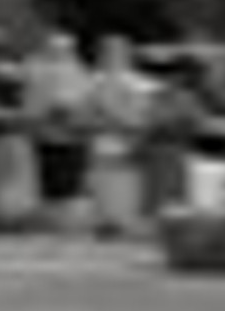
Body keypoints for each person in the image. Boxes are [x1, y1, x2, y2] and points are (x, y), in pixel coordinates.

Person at [21, 32, 95, 233]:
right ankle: (52, 221)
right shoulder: (36, 68)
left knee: (69, 179)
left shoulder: (79, 71)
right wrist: (45, 111)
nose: (58, 53)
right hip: (46, 134)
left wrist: (70, 110)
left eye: (63, 49)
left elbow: (86, 99)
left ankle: (68, 222)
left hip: (71, 136)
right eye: (54, 49)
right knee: (49, 178)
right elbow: (30, 99)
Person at [87, 35, 158, 238]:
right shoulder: (94, 81)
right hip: (101, 143)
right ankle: (104, 222)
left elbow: (144, 113)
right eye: (108, 52)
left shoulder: (138, 83)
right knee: (103, 182)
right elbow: (85, 110)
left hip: (127, 144)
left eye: (118, 52)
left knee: (124, 185)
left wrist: (122, 119)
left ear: (127, 55)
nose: (113, 57)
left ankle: (122, 222)